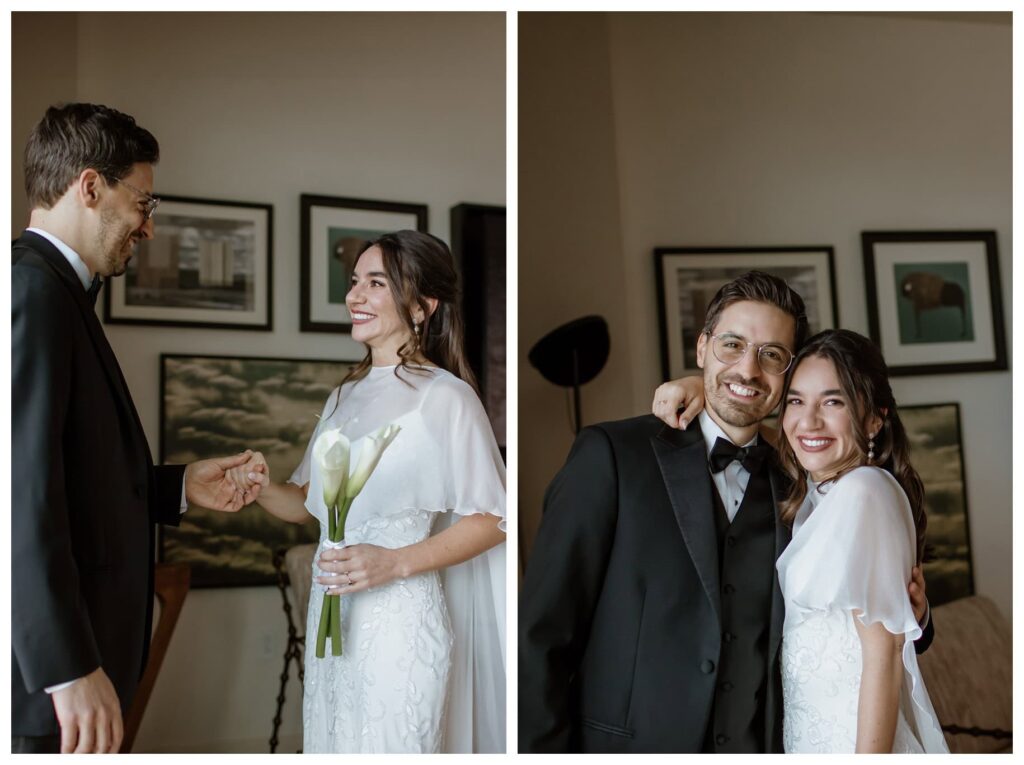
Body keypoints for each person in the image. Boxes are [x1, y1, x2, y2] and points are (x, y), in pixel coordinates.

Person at [518, 271, 930, 753]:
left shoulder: (802, 482)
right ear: (702, 348)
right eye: (732, 345)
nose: (748, 370)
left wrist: (918, 617)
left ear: (787, 372)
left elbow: (860, 618)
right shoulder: (612, 456)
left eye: (771, 355)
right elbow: (541, 635)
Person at [12, 103, 261, 754]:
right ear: (91, 187)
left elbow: (71, 473)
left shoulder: (59, 292)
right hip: (48, 688)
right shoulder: (31, 292)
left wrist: (176, 486)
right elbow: (18, 493)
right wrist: (67, 666)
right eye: (144, 203)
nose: (148, 227)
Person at [236, 230, 506, 753]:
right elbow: (307, 503)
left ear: (422, 306)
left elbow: (494, 518)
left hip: (400, 625)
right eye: (355, 281)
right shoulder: (344, 396)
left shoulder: (447, 398)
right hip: (334, 620)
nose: (354, 296)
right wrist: (261, 487)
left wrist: (396, 562)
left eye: (376, 283)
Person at [773, 329, 947, 752]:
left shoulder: (862, 492)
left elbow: (883, 655)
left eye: (833, 402)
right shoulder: (822, 495)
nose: (808, 421)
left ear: (874, 418)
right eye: (796, 400)